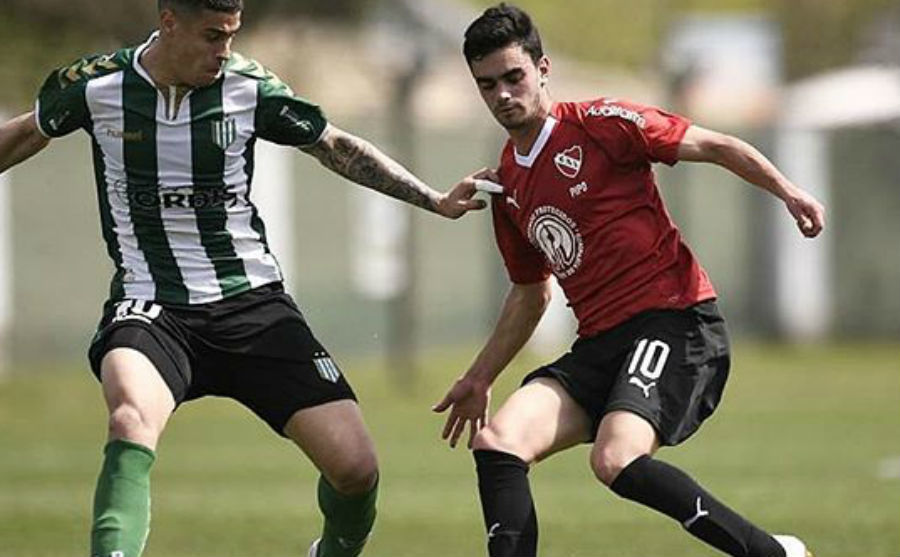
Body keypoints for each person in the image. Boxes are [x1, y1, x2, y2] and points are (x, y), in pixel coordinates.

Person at [0, 1, 487, 556]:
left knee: (356, 468)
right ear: (169, 22)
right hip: (152, 306)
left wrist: (433, 199)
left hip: (252, 305)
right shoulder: (96, 85)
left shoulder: (250, 89)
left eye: (231, 35)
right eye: (212, 35)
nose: (224, 51)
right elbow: (26, 134)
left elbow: (335, 146)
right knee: (130, 418)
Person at [433, 4, 823, 557]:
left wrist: (788, 191)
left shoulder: (602, 123)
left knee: (615, 459)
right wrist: (479, 377)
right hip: (601, 343)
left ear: (542, 68)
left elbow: (714, 145)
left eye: (513, 77)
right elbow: (531, 293)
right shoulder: (506, 184)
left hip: (675, 321)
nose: (502, 94)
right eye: (487, 84)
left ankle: (771, 553)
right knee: (499, 442)